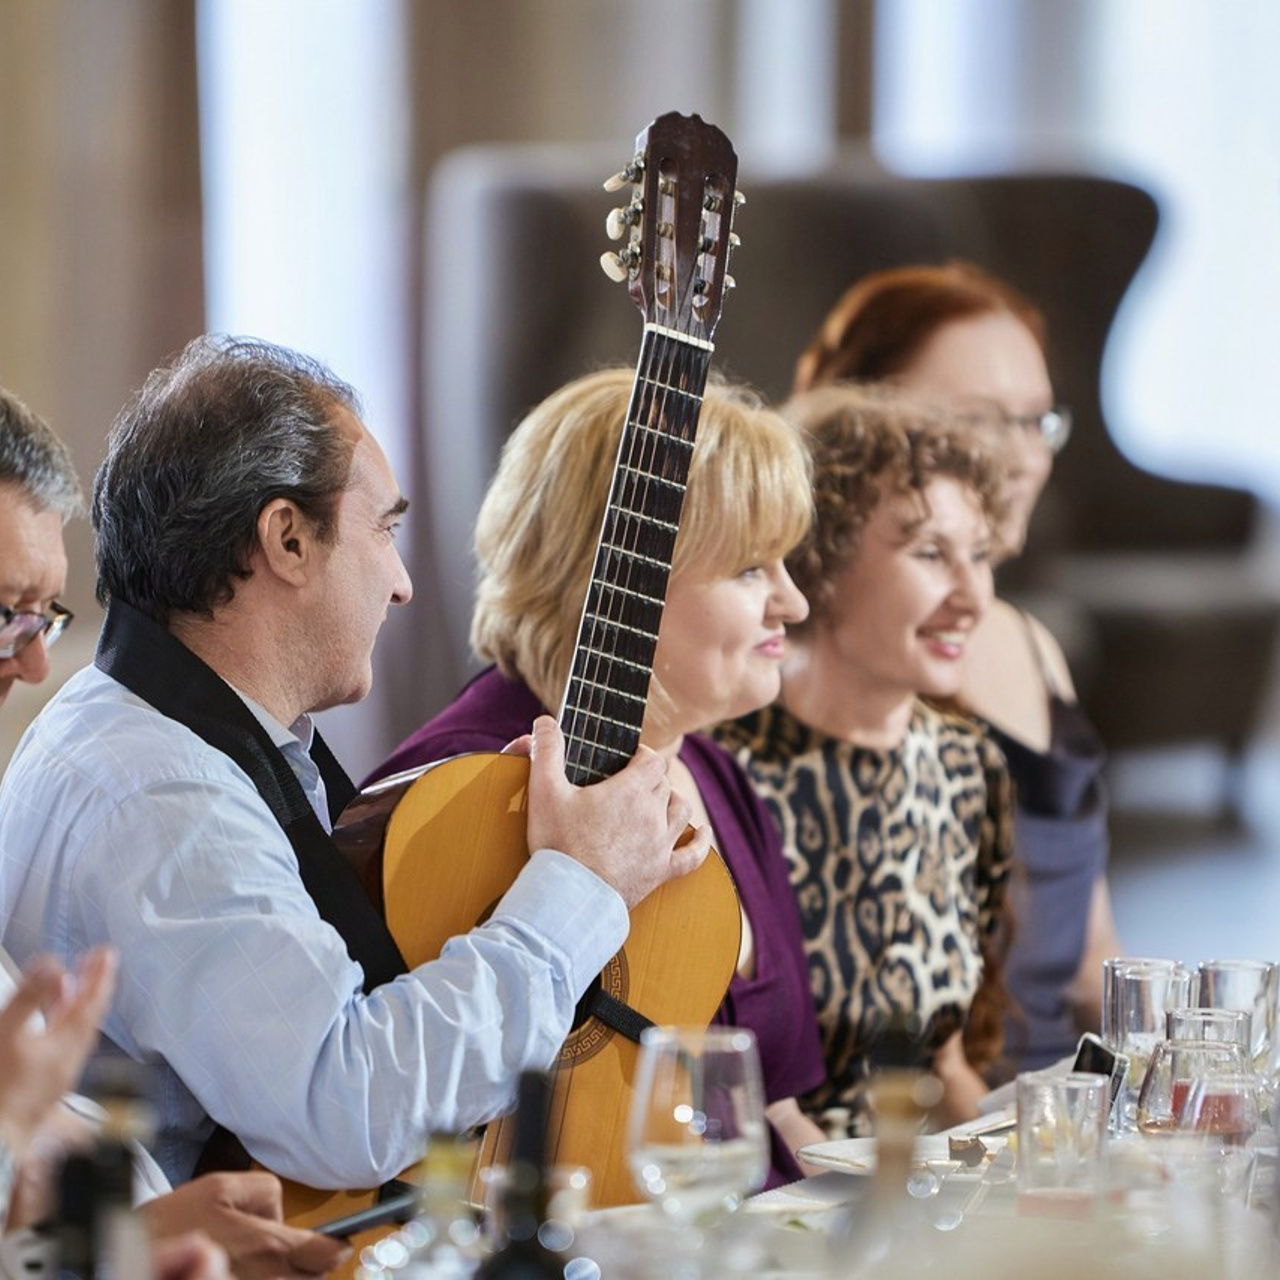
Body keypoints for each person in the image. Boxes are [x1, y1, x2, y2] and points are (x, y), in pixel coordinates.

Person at [0, 340, 707, 1200]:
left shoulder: (131, 720)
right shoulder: (167, 795)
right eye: (385, 529)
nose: (403, 584)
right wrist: (580, 883)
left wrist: (491, 834)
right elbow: (347, 1111)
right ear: (288, 539)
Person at [370, 367, 829, 1187]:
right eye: (751, 569)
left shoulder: (720, 778)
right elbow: (406, 1124)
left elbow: (777, 1114)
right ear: (622, 576)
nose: (792, 603)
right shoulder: (456, 794)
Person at [0, 386, 353, 1276]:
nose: (35, 663)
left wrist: (127, 1228)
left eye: (43, 618)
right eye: (7, 614)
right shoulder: (157, 782)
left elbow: (33, 1152)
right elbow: (343, 1110)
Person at [792, 261, 1120, 1071]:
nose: (1023, 457)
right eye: (981, 420)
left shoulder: (1034, 645)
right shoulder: (816, 667)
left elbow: (1093, 963)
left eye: (1038, 422)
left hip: (1058, 1101)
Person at [713, 384, 1014, 1137]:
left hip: (911, 1182)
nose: (974, 597)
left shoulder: (968, 766)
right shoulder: (722, 773)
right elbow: (724, 1090)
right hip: (774, 1181)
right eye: (931, 554)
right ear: (820, 561)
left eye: (980, 556)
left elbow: (944, 1064)